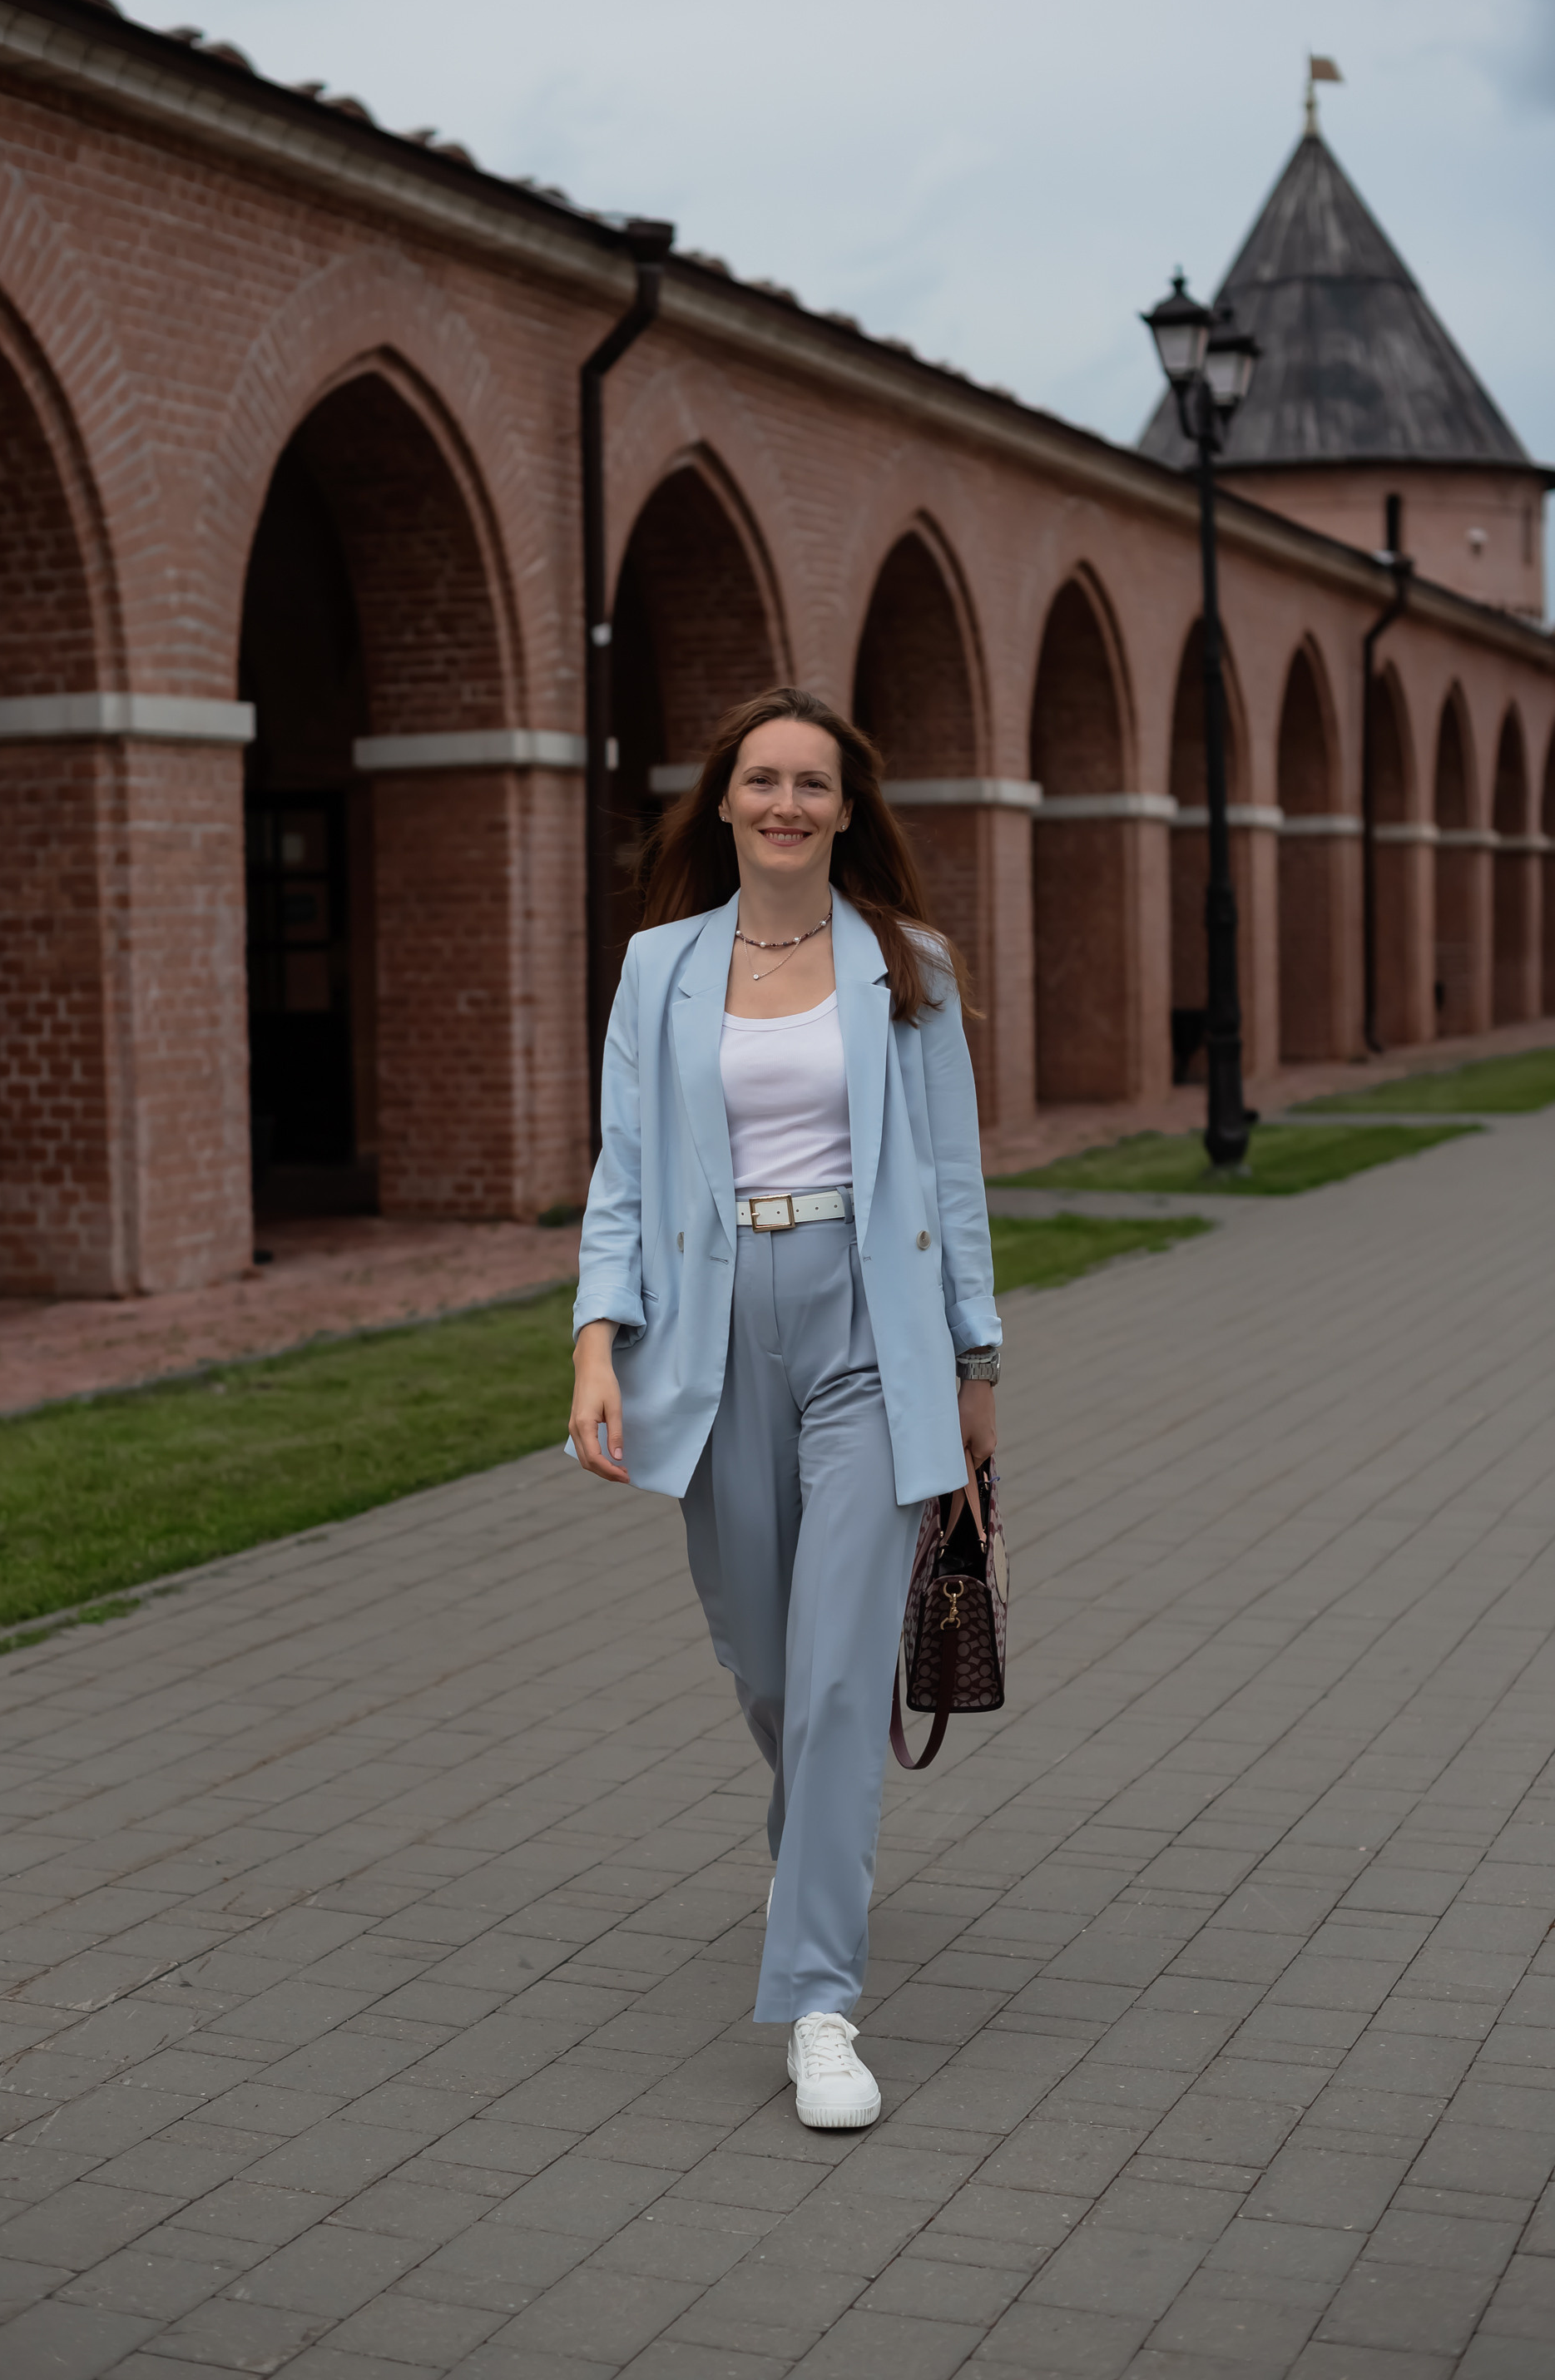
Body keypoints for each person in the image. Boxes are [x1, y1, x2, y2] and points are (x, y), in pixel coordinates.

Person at [567, 685, 1001, 2130]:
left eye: (815, 783)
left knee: (833, 1679)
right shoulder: (657, 969)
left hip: (871, 1328)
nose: (789, 804)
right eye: (764, 779)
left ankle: (819, 1999)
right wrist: (592, 1346)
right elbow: (623, 1172)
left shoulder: (906, 965)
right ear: (725, 800)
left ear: (848, 809)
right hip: (710, 1327)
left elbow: (950, 1179)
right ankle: (814, 1832)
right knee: (765, 1665)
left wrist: (975, 1366)